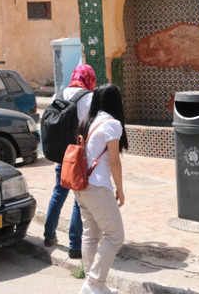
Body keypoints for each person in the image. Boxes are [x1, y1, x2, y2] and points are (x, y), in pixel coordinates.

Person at [73, 83, 128, 294]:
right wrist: (120, 190)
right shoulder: (111, 124)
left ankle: (93, 284)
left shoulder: (89, 121)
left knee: (90, 234)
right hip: (97, 187)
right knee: (115, 236)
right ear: (116, 102)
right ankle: (94, 284)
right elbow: (115, 161)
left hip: (82, 186)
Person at [43, 63, 95, 258]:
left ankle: (49, 235)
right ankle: (75, 245)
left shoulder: (58, 94)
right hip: (79, 155)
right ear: (89, 78)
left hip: (60, 154)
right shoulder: (90, 98)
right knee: (78, 199)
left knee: (58, 193)